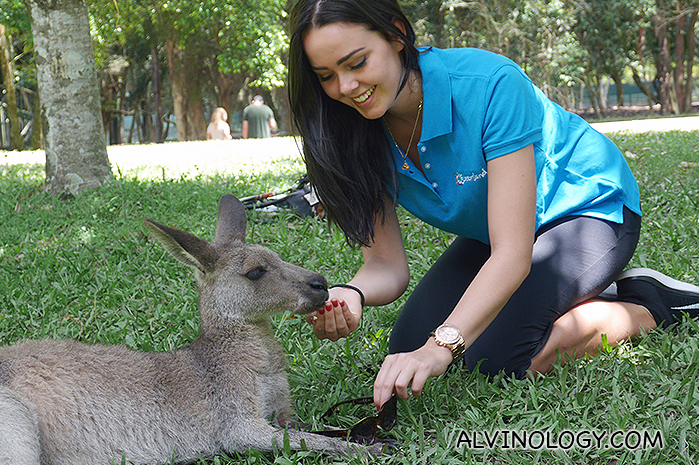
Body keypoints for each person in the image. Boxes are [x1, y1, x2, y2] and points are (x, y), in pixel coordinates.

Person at [287, 0, 699, 410]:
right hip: (502, 230)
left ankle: (649, 302)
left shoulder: (490, 83)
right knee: (410, 340)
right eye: (326, 76)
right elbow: (385, 265)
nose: (345, 87)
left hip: (587, 207)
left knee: (497, 358)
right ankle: (583, 292)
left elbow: (512, 255)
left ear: (396, 35)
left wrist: (441, 347)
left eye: (356, 63)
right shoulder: (349, 132)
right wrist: (353, 293)